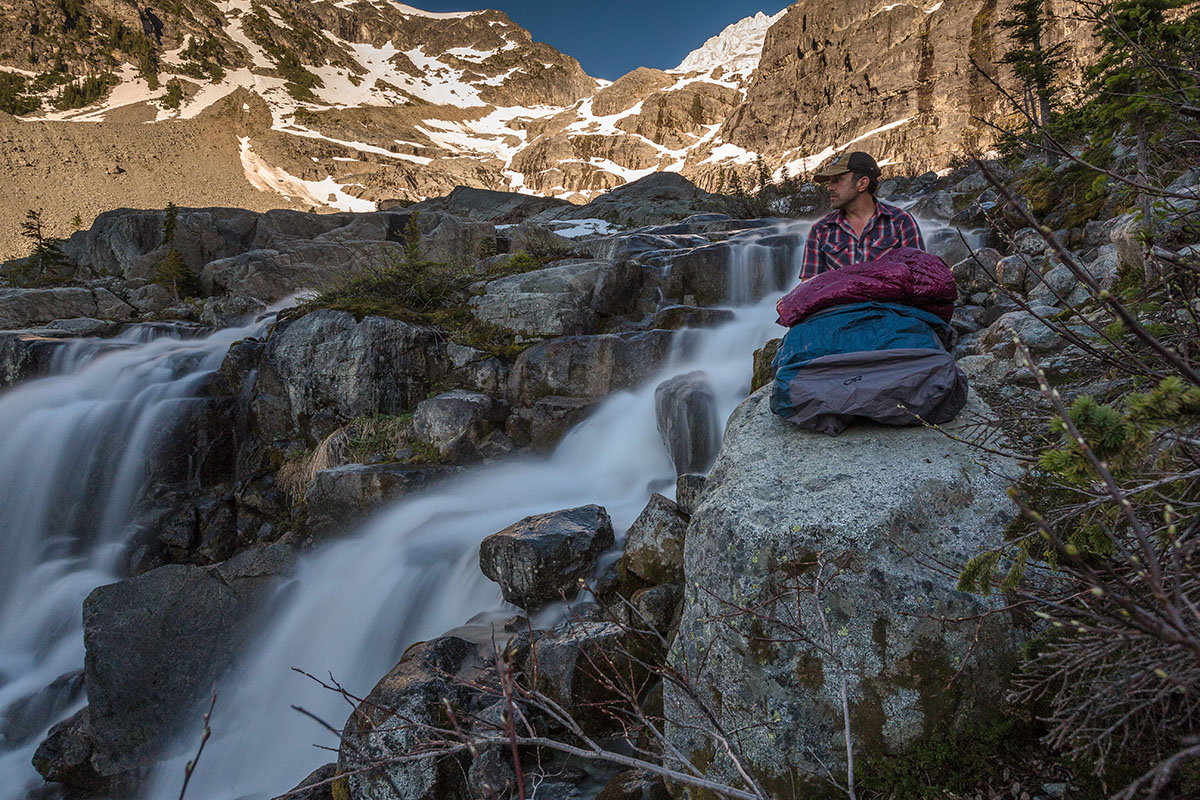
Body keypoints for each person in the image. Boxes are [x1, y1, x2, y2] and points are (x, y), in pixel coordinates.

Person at [796, 151, 925, 281]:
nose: (830, 187)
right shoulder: (820, 230)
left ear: (862, 183)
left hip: (892, 301)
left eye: (837, 180)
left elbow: (921, 277)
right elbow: (808, 288)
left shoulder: (901, 222)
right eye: (830, 182)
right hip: (839, 302)